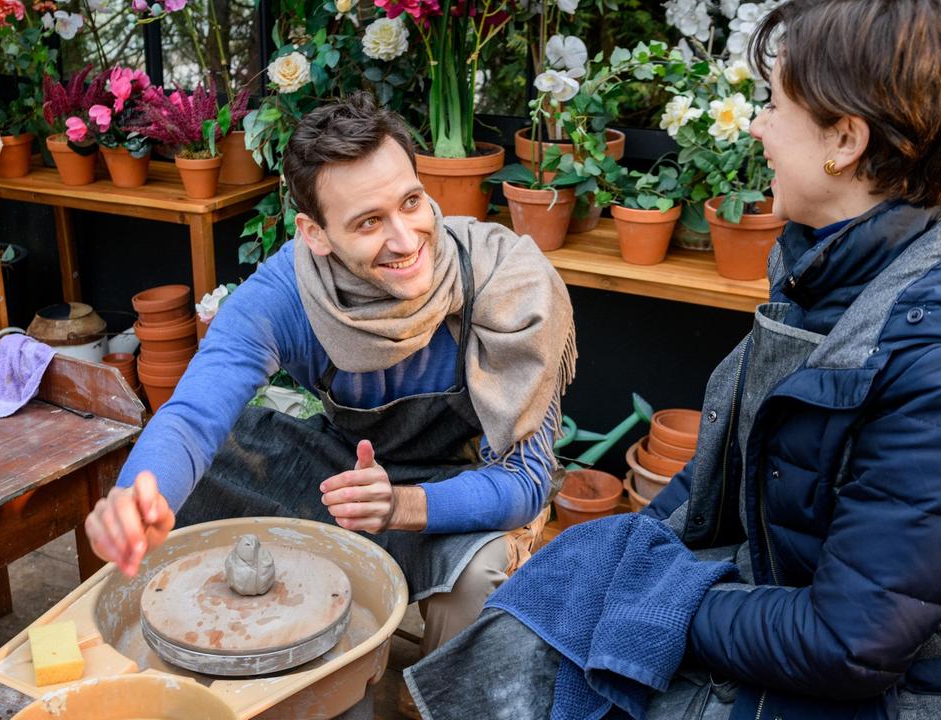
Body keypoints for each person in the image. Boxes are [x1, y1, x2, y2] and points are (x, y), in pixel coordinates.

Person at [405, 1, 941, 718]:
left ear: (845, 140)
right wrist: (622, 552)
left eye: (775, 104)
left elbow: (846, 643)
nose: (758, 125)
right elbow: (724, 472)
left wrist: (646, 602)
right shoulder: (838, 266)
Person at [81, 92, 577, 662]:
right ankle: (255, 664)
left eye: (411, 202)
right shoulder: (287, 295)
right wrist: (139, 496)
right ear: (314, 234)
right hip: (350, 473)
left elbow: (526, 481)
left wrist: (400, 505)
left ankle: (438, 694)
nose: (406, 239)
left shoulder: (504, 285)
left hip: (459, 486)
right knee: (215, 464)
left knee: (481, 574)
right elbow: (194, 417)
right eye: (369, 221)